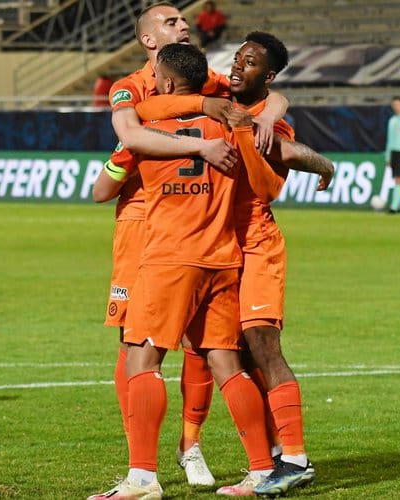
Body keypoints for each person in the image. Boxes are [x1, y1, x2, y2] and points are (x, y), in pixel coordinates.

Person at [130, 31, 333, 496]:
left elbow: (268, 185)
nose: (239, 67)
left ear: (269, 75)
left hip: (255, 242)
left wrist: (269, 130)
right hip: (217, 245)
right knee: (221, 352)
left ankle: (293, 458)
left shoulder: (270, 125)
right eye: (238, 58)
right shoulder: (218, 95)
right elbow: (156, 106)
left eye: (251, 62)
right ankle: (240, 452)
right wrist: (210, 107)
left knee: (260, 342)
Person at [100, 1, 290, 487]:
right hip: (179, 232)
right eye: (172, 21)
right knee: (213, 353)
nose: (184, 24)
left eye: (184, 20)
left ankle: (171, 456)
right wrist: (206, 126)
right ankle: (260, 465)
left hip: (172, 236)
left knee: (146, 348)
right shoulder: (133, 87)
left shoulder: (202, 83)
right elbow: (130, 128)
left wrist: (271, 113)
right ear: (148, 39)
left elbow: (268, 95)